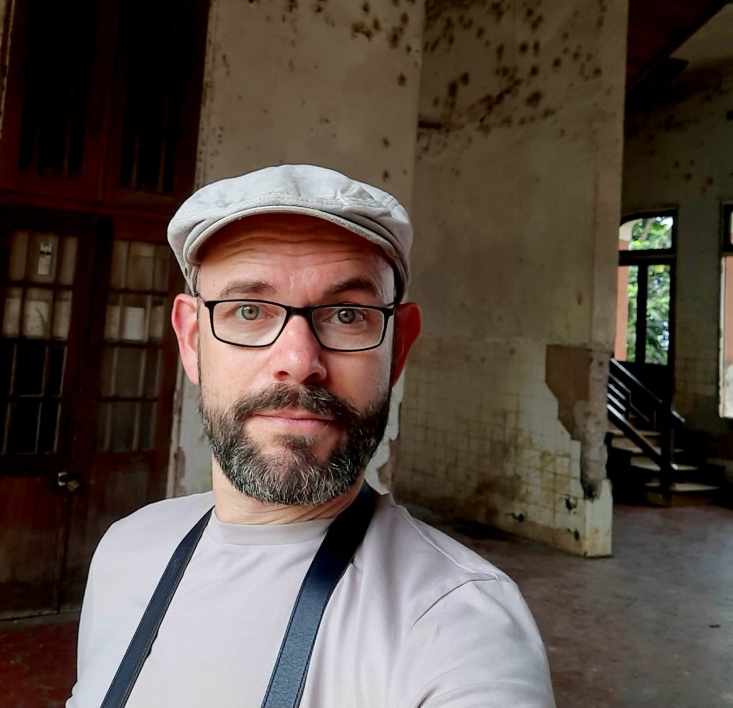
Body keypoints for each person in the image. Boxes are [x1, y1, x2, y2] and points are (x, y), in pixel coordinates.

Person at [67, 164, 556, 708]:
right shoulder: (126, 552)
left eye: (347, 314)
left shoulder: (460, 626)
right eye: (248, 310)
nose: (299, 362)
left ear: (399, 348)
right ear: (190, 340)